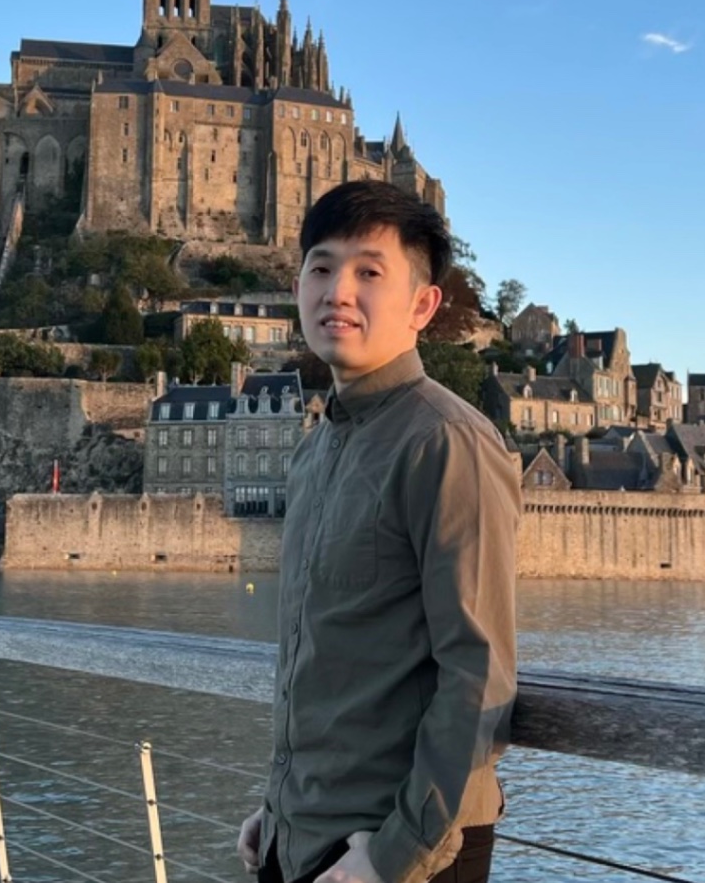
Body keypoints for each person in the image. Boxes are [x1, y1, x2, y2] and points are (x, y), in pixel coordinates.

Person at [237, 180, 520, 883]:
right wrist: (280, 808)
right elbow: (325, 655)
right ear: (298, 288)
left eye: (369, 272)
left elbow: (478, 675)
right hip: (299, 838)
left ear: (422, 305)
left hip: (397, 850)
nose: (338, 291)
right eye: (322, 268)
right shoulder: (315, 450)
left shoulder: (448, 442)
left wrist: (395, 855)